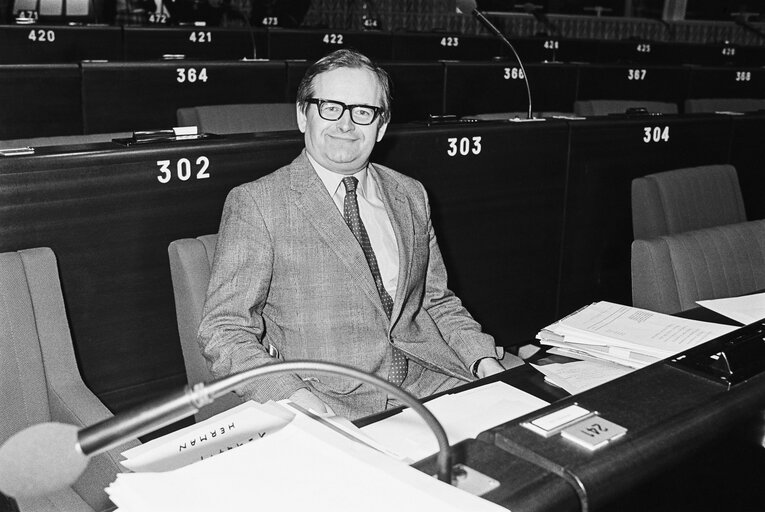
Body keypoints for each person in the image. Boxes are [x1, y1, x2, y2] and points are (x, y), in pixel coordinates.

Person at [198, 49, 515, 420]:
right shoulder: (258, 203)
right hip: (330, 402)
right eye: (330, 107)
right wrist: (296, 398)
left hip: (434, 380)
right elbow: (224, 330)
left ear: (381, 126)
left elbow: (435, 301)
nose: (346, 125)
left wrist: (483, 360)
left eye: (363, 111)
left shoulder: (410, 194)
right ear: (303, 115)